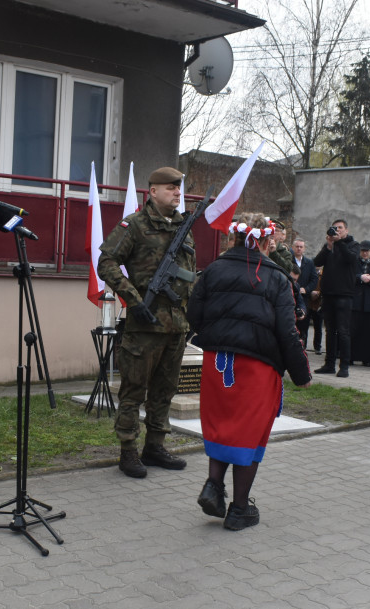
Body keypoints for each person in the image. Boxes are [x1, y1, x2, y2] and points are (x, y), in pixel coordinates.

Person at [187, 213, 312, 531]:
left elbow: (193, 313)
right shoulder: (277, 278)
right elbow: (287, 331)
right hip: (256, 366)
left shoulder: (213, 270)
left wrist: (215, 335)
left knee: (222, 425)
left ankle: (214, 485)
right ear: (267, 241)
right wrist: (301, 374)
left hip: (218, 363)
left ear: (233, 238)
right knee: (249, 433)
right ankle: (239, 509)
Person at [97, 166, 193, 479]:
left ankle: (155, 447)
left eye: (178, 188)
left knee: (164, 392)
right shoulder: (135, 225)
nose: (177, 192)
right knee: (133, 392)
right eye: (170, 187)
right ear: (152, 191)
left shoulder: (183, 227)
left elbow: (190, 276)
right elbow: (106, 262)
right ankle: (128, 451)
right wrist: (132, 298)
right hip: (145, 325)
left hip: (176, 325)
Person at [313, 219, 359, 377]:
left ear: (346, 230)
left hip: (344, 295)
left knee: (343, 331)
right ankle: (329, 364)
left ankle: (344, 366)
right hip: (329, 294)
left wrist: (339, 242)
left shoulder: (353, 245)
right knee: (330, 331)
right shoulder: (331, 247)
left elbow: (350, 259)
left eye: (340, 228)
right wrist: (328, 247)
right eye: (335, 228)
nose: (337, 231)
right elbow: (317, 262)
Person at [350, 241, 370, 366]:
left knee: (369, 332)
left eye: (367, 251)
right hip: (356, 301)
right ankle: (350, 356)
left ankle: (367, 358)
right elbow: (350, 276)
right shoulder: (354, 263)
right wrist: (360, 277)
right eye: (363, 251)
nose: (365, 253)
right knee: (353, 330)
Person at [291, 238, 319, 347]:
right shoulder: (289, 260)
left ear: (304, 248)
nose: (299, 249)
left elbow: (314, 279)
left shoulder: (309, 262)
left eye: (301, 247)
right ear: (293, 248)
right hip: (291, 296)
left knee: (304, 325)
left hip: (304, 298)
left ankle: (303, 348)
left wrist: (306, 289)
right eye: (297, 246)